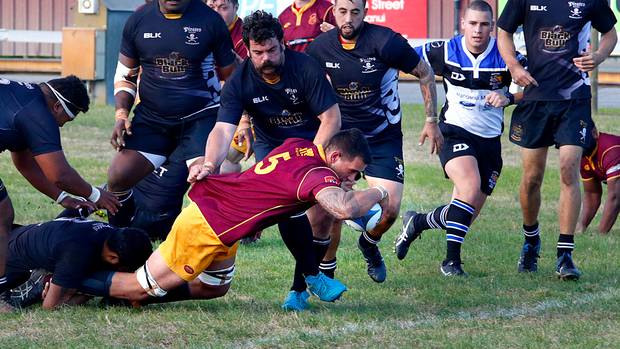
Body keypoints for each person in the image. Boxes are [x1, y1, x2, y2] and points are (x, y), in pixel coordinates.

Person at [86, 130, 388, 311]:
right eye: (353, 171)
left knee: (214, 287)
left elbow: (290, 210)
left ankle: (130, 297)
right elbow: (344, 209)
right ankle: (72, 281)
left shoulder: (300, 146)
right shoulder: (317, 174)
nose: (354, 178)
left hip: (222, 224)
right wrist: (379, 191)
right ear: (334, 156)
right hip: (206, 226)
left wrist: (309, 273)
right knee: (141, 286)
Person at [188, 10, 342, 311]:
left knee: (322, 217)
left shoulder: (305, 68)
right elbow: (222, 129)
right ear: (247, 49)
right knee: (288, 208)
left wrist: (311, 158)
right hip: (273, 147)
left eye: (272, 49)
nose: (266, 57)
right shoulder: (239, 81)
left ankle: (302, 286)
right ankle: (310, 278)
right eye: (258, 52)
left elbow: (331, 117)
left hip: (314, 142)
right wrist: (209, 164)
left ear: (282, 44)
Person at [306, 0, 442, 283]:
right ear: (333, 10)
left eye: (355, 12)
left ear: (365, 12)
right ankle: (327, 271)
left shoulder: (386, 41)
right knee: (331, 207)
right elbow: (308, 88)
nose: (348, 18)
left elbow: (425, 73)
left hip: (382, 138)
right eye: (343, 11)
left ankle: (369, 243)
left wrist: (431, 121)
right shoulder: (320, 47)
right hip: (342, 140)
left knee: (389, 210)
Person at [394, 1, 525, 276]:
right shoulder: (445, 50)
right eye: (473, 24)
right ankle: (450, 262)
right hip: (453, 132)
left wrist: (508, 97)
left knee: (464, 214)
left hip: (489, 141)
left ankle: (417, 223)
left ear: (493, 28)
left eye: (484, 25)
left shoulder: (505, 55)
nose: (478, 30)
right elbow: (403, 61)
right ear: (463, 24)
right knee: (469, 185)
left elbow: (536, 85)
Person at [497, 0, 617, 279]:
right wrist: (514, 66)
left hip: (574, 99)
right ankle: (531, 240)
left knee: (568, 167)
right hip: (535, 97)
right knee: (531, 178)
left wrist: (599, 56)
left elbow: (610, 33)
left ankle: (565, 254)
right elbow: (503, 31)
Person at [107, 0, 236, 228]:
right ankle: (120, 237)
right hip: (153, 119)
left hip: (200, 117)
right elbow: (126, 75)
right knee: (118, 176)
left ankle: (206, 248)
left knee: (206, 181)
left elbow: (231, 76)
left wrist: (237, 119)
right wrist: (121, 114)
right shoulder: (138, 20)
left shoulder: (210, 20)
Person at [0, 76, 120, 308]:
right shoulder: (38, 113)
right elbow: (60, 174)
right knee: (2, 216)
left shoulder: (24, 97)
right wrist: (96, 195)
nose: (61, 126)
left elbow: (25, 162)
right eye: (65, 119)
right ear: (57, 106)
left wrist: (62, 197)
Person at [0, 218, 151, 311]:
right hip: (11, 263)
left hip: (18, 233)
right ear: (113, 257)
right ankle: (40, 280)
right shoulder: (77, 253)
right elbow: (49, 307)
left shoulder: (113, 234)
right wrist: (89, 294)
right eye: (123, 269)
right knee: (8, 308)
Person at [577, 131, 620, 234]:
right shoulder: (583, 154)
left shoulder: (611, 150)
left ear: (594, 133)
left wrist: (600, 234)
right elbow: (592, 194)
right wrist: (580, 227)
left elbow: (615, 197)